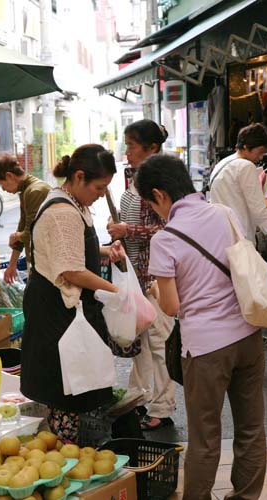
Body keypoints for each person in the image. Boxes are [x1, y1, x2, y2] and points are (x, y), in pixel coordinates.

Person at [134, 153, 266, 500]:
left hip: (207, 349)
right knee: (251, 428)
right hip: (250, 335)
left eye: (151, 204)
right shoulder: (225, 213)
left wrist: (154, 289)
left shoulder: (165, 239)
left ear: (160, 195)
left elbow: (172, 306)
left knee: (205, 437)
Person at [20, 144, 120, 444]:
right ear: (78, 177)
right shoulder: (63, 211)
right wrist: (117, 291)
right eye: (99, 187)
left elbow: (70, 252)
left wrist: (103, 252)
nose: (101, 194)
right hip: (56, 313)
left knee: (74, 384)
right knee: (65, 390)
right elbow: (71, 270)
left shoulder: (74, 203)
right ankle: (65, 453)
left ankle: (68, 449)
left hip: (62, 308)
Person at [107, 119, 176, 431]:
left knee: (159, 341)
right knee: (141, 342)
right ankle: (138, 398)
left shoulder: (162, 180)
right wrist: (118, 233)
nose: (127, 151)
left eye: (132, 145)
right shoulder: (132, 177)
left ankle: (163, 406)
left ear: (151, 148)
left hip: (155, 277)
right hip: (133, 273)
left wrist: (127, 229)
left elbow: (169, 227)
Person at [0, 154, 51, 283]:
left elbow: (32, 234)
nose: (3, 189)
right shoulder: (27, 190)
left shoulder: (35, 192)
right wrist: (12, 265)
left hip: (46, 264)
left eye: (0, 184)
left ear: (9, 176)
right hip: (38, 262)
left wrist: (16, 236)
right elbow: (23, 227)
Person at [210, 122, 267, 245]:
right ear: (247, 146)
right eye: (260, 151)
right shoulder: (246, 166)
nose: (261, 157)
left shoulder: (222, 164)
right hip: (240, 238)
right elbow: (258, 208)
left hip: (219, 235)